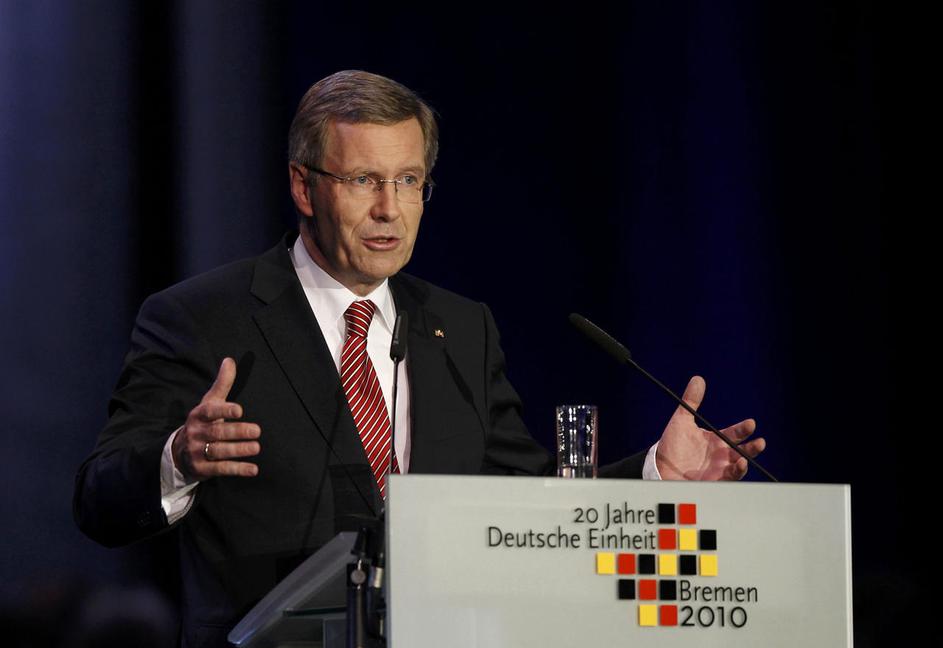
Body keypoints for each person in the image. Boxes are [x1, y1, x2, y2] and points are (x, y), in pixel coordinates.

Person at [74, 70, 765, 647]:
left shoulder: (460, 328)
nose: (390, 209)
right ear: (303, 186)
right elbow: (99, 500)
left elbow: (531, 506)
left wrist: (653, 475)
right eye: (363, 180)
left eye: (409, 181)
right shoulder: (202, 318)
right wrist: (177, 457)